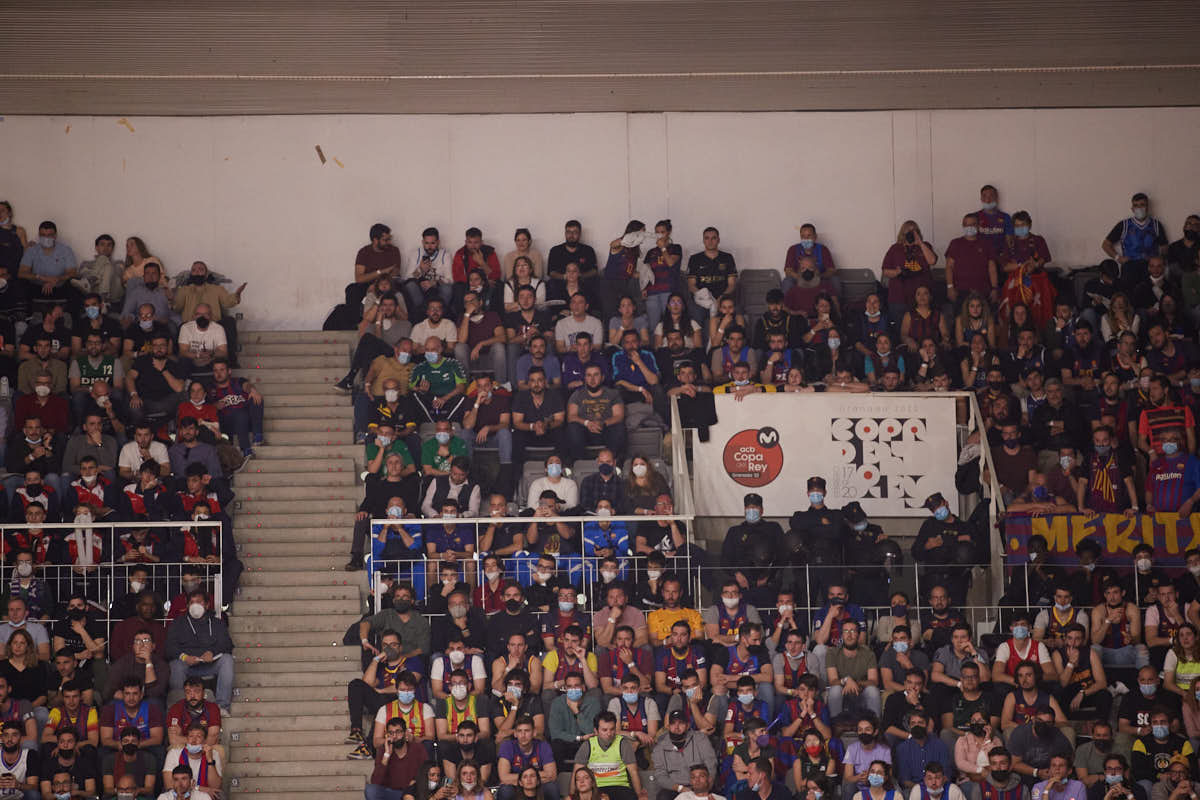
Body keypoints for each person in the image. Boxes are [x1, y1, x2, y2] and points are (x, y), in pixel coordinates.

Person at [164, 591, 234, 712]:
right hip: (187, 664)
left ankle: (222, 707)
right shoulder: (177, 624)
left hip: (210, 663)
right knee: (175, 665)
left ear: (207, 605)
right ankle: (181, 708)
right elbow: (169, 647)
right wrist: (185, 657)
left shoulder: (217, 623)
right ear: (187, 606)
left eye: (199, 602)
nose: (195, 605)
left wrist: (212, 652)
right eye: (191, 602)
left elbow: (227, 644)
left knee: (227, 660)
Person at [574, 710, 646, 800]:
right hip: (597, 788)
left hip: (620, 787)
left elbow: (633, 772)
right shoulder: (587, 745)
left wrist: (639, 795)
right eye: (604, 730)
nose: (609, 733)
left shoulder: (623, 744)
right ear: (596, 731)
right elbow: (576, 773)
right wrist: (571, 795)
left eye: (612, 729)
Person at [566, 365, 627, 463]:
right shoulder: (577, 394)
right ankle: (580, 463)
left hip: (605, 429)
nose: (592, 379)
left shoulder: (612, 394)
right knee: (572, 428)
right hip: (585, 430)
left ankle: (614, 462)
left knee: (619, 427)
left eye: (596, 375)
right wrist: (587, 423)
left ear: (602, 377)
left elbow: (619, 416)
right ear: (585, 378)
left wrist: (603, 423)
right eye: (589, 375)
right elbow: (571, 416)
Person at [365, 715, 427, 800]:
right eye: (391, 733)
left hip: (412, 793)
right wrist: (387, 755)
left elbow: (426, 772)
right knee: (370, 790)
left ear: (405, 733)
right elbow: (376, 782)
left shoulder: (418, 748)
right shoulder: (383, 751)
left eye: (398, 732)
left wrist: (415, 783)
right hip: (392, 793)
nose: (394, 736)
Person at [497, 715, 558, 800]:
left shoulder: (543, 746)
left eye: (527, 731)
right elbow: (504, 777)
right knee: (505, 790)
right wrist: (532, 778)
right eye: (519, 731)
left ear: (534, 733)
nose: (523, 735)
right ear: (515, 733)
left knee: (551, 787)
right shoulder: (507, 746)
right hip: (517, 787)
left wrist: (526, 780)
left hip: (537, 786)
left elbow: (552, 775)